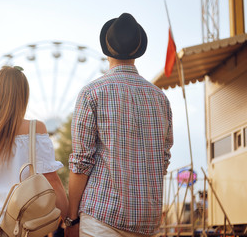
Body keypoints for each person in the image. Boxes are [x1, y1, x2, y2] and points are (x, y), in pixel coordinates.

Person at [65, 13, 173, 237]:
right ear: (138, 50)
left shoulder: (92, 93)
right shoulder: (160, 98)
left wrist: (71, 218)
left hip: (102, 217)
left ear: (106, 50)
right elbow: (162, 160)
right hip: (147, 220)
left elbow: (81, 162)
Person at [0, 66, 68, 237]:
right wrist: (69, 220)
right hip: (22, 223)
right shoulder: (35, 128)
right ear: (23, 95)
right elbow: (52, 180)